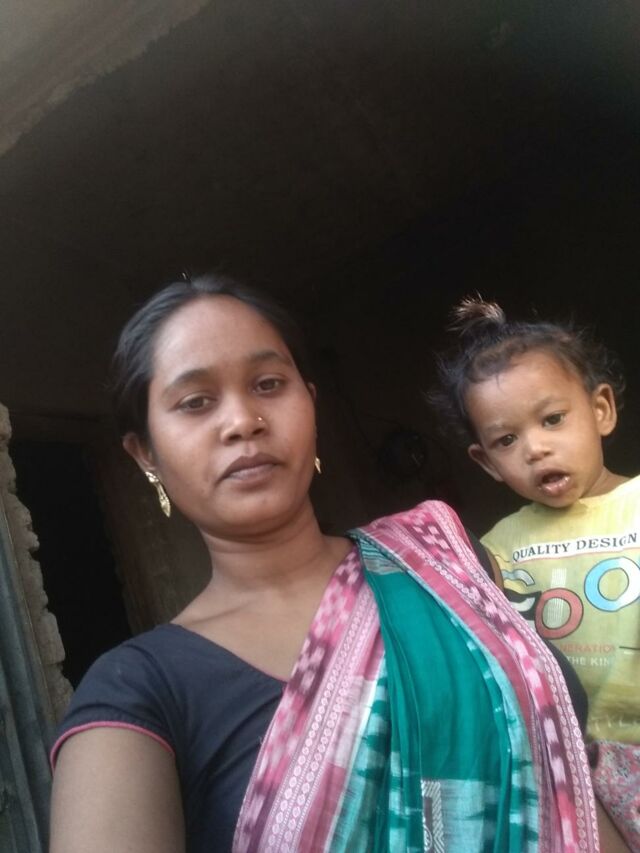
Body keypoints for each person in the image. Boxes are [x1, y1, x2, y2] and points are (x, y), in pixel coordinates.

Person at [50, 277, 603, 853]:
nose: (243, 420)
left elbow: (571, 780)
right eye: (196, 402)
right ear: (146, 453)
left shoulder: (441, 561)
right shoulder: (140, 691)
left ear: (310, 404)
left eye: (268, 384)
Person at [431, 296, 640, 850]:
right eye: (507, 439)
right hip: (572, 769)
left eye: (552, 419)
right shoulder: (495, 552)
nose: (536, 448)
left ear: (601, 410)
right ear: (486, 461)